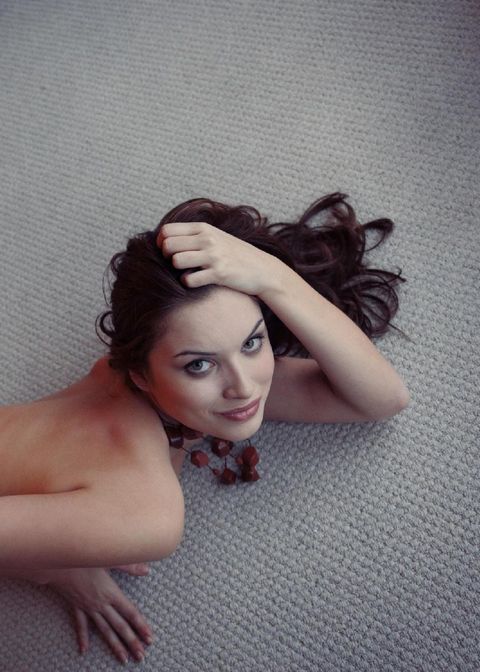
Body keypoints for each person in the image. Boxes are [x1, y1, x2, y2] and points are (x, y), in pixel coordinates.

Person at [0, 192, 410, 664]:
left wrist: (274, 278)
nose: (244, 387)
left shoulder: (169, 386)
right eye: (199, 365)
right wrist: (55, 571)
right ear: (139, 374)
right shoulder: (149, 512)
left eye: (252, 342)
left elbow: (384, 398)